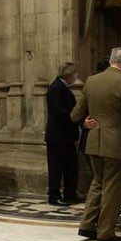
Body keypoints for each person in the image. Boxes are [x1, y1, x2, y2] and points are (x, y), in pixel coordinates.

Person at [70, 47, 121, 241]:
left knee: (97, 183)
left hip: (94, 140)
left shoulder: (92, 81)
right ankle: (105, 232)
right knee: (113, 187)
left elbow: (75, 114)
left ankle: (87, 224)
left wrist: (85, 122)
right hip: (116, 144)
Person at [45, 62, 80, 205]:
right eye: (75, 74)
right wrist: (75, 118)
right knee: (56, 168)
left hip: (66, 136)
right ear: (68, 74)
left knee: (70, 166)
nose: (76, 77)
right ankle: (54, 196)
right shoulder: (56, 88)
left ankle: (70, 193)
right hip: (58, 136)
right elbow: (59, 112)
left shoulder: (62, 87)